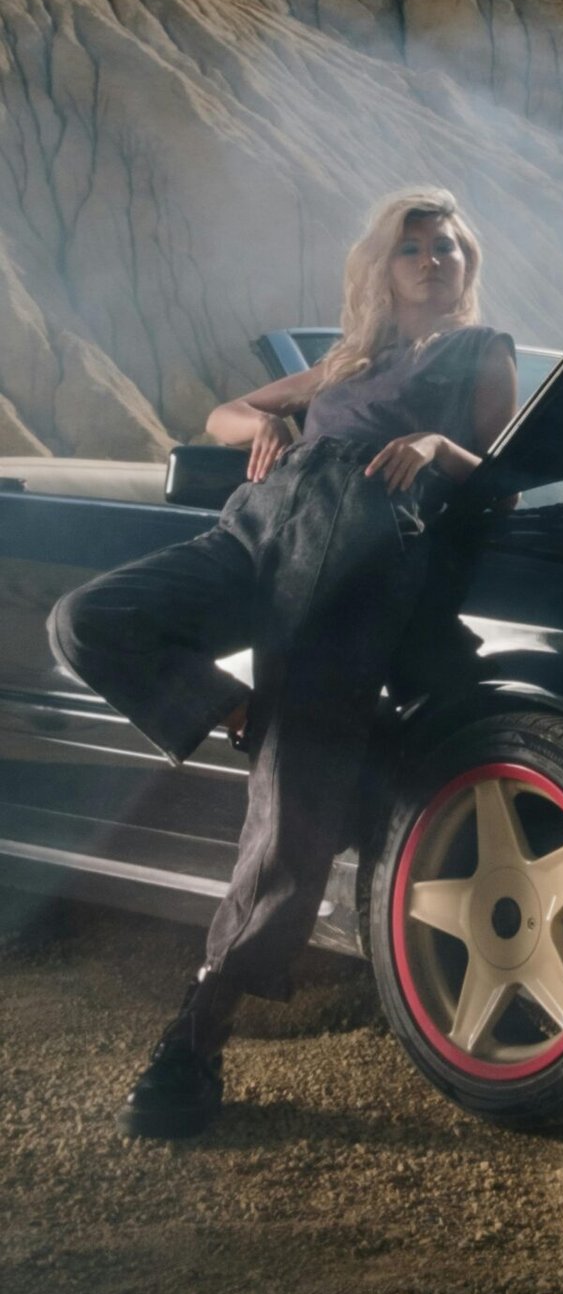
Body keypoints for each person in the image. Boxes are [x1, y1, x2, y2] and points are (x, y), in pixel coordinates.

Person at [48, 188, 518, 1141]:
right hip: (259, 525)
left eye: (449, 247)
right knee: (89, 619)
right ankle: (243, 715)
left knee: (286, 807)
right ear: (383, 267)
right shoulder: (348, 361)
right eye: (414, 247)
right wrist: (259, 429)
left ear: (468, 265)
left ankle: (197, 1035)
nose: (434, 259)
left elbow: (505, 470)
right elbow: (224, 412)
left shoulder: (483, 350)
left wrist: (436, 445)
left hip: (357, 545)